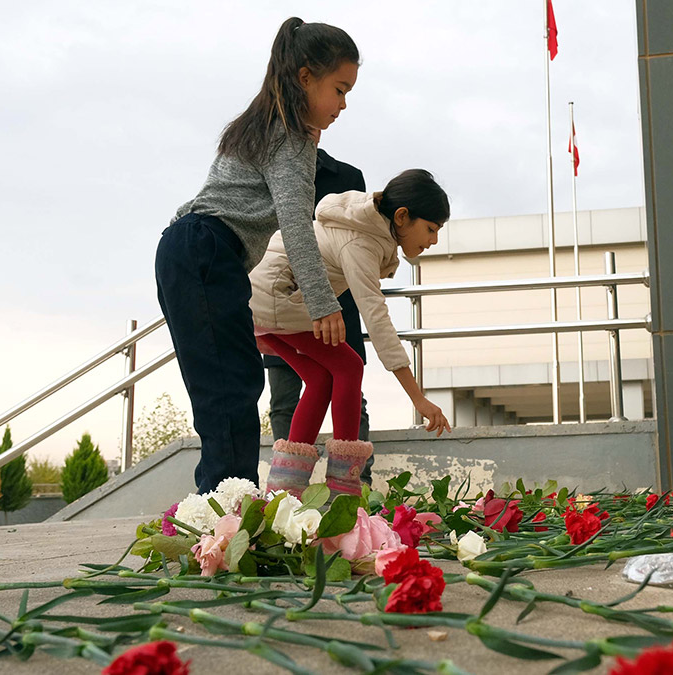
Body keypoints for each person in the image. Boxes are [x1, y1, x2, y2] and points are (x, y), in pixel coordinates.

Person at [156, 18, 359, 493]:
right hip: (206, 249)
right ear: (305, 77)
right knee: (230, 390)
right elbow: (295, 223)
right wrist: (323, 302)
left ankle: (221, 514)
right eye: (340, 89)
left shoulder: (259, 125)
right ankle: (228, 518)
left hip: (188, 246)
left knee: (223, 388)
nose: (343, 105)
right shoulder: (290, 135)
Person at [252, 170, 454, 498]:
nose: (433, 240)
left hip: (267, 300)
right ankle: (344, 491)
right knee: (349, 366)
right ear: (402, 217)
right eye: (430, 228)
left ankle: (284, 493)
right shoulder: (362, 241)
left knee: (321, 379)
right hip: (277, 296)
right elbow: (376, 317)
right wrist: (417, 398)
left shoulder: (366, 229)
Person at [265, 148, 374, 485]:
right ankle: (286, 493)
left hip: (334, 309)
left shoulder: (347, 177)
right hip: (278, 303)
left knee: (352, 391)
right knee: (284, 399)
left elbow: (358, 235)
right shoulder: (269, 170)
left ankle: (357, 484)